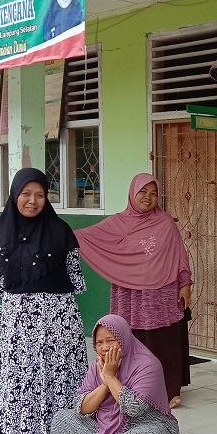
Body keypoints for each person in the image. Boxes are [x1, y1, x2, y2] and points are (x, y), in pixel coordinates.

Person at [0, 168, 88, 434]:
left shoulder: (61, 231)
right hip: (17, 320)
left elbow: (74, 277)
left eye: (40, 195)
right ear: (15, 195)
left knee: (62, 376)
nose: (33, 201)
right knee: (25, 378)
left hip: (59, 317)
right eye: (26, 194)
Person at [75, 174, 192, 407]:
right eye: (143, 192)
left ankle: (170, 390)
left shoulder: (166, 223)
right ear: (132, 193)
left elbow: (180, 256)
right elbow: (85, 237)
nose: (148, 197)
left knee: (163, 340)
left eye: (153, 193)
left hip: (162, 292)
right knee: (129, 339)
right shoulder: (117, 223)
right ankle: (129, 386)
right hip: (128, 293)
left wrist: (185, 284)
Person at [46, 314, 183, 434]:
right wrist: (103, 384)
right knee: (62, 419)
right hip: (105, 427)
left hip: (144, 426)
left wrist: (110, 377)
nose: (104, 348)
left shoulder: (147, 365)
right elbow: (82, 408)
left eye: (110, 340)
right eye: (99, 342)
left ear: (124, 339)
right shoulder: (98, 365)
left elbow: (134, 409)